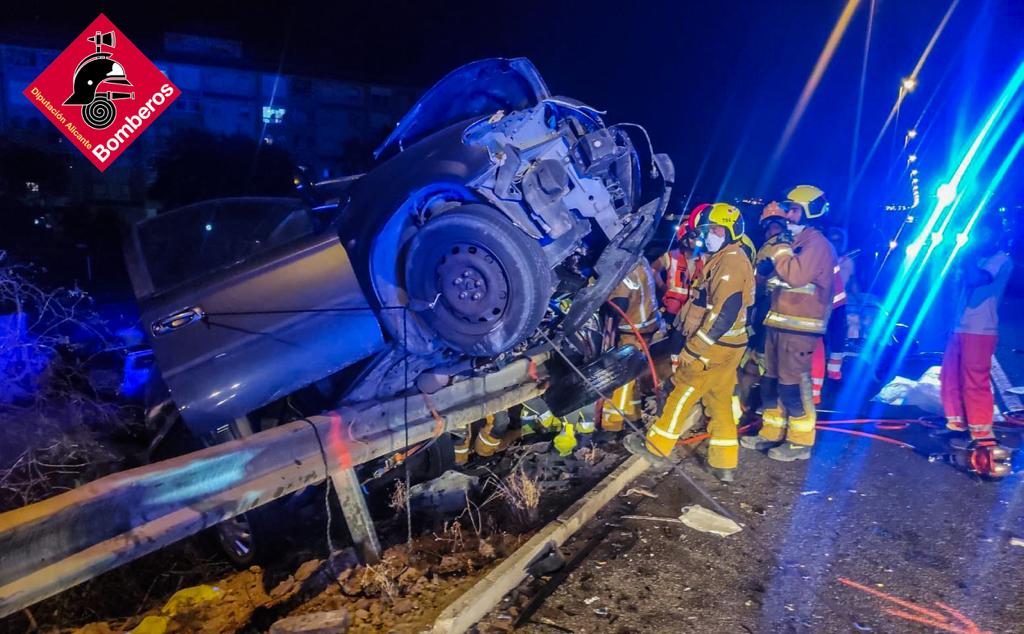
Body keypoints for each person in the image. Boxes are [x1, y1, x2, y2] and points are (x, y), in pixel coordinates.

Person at [624, 203, 754, 481]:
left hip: (713, 348)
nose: (704, 237)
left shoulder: (729, 262)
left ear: (724, 230)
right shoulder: (729, 258)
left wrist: (695, 347)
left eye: (709, 231)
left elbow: (725, 312)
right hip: (729, 348)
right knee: (718, 401)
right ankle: (724, 464)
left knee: (681, 391)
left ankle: (656, 449)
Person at [740, 185, 837, 462]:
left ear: (810, 212)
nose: (788, 215)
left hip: (800, 328)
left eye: (793, 210)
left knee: (793, 385)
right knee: (771, 382)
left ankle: (800, 441)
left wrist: (780, 248)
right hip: (778, 324)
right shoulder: (793, 243)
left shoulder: (816, 244)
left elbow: (794, 277)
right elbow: (770, 277)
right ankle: (771, 433)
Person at [941, 214, 1013, 446]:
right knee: (949, 377)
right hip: (960, 327)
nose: (978, 237)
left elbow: (976, 280)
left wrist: (967, 253)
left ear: (996, 235)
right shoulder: (976, 258)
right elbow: (956, 290)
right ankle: (957, 424)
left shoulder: (1000, 259)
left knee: (975, 381)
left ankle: (982, 434)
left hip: (980, 330)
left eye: (983, 232)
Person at [600, 257, 663, 435]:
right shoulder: (641, 261)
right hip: (646, 327)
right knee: (633, 374)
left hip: (633, 330)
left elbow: (618, 304)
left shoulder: (625, 268)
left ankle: (612, 425)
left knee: (621, 377)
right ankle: (633, 416)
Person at [738, 204, 789, 415]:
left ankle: (757, 406)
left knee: (756, 359)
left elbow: (758, 282)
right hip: (786, 312)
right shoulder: (794, 243)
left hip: (769, 307)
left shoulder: (771, 248)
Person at [653, 207, 705, 320]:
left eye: (698, 237)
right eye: (692, 237)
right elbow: (652, 270)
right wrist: (663, 287)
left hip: (691, 311)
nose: (696, 241)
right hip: (671, 310)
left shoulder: (704, 259)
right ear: (683, 237)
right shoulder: (671, 256)